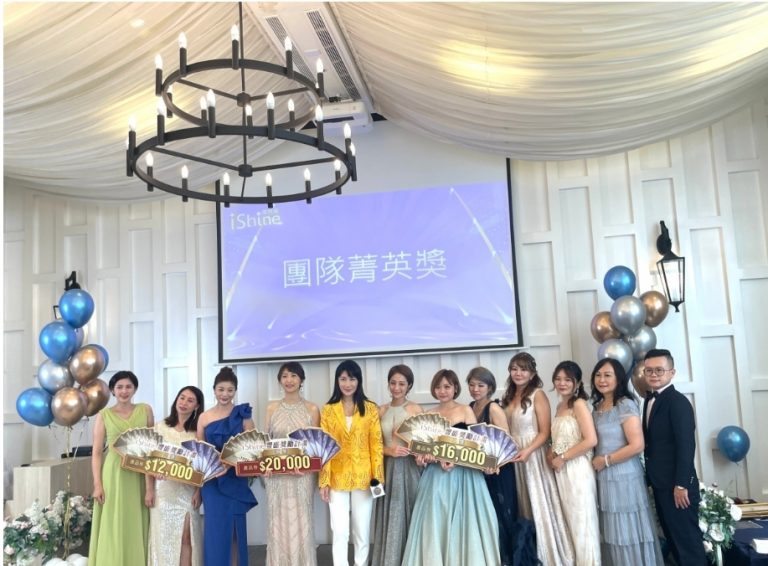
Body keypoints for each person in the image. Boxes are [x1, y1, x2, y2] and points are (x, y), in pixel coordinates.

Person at [401, 369, 501, 566]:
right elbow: (422, 450)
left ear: (455, 388)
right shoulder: (428, 415)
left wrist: (456, 459)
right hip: (435, 477)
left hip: (465, 476)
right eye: (438, 387)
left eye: (447, 386)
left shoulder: (465, 410)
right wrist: (423, 459)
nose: (442, 391)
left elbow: (477, 444)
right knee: (435, 520)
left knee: (467, 521)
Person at [502, 352, 575, 566]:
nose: (518, 373)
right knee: (522, 504)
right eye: (514, 369)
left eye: (523, 369)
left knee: (538, 502)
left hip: (533, 455)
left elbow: (545, 432)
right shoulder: (508, 395)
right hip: (513, 455)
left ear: (532, 373)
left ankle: (548, 555)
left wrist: (528, 451)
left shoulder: (538, 394)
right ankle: (527, 554)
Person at [590, 358, 663, 565]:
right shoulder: (596, 407)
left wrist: (606, 460)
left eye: (607, 375)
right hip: (604, 477)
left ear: (619, 379)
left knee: (627, 529)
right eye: (598, 375)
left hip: (624, 475)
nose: (602, 380)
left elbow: (637, 445)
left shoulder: (625, 404)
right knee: (612, 531)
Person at [642, 348, 707, 565]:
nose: (654, 374)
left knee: (688, 546)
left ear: (672, 372)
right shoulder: (649, 400)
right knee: (674, 544)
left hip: (678, 488)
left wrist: (681, 484)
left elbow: (686, 446)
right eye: (649, 370)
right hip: (661, 484)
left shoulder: (678, 402)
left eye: (659, 370)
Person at [467, 366, 537, 566]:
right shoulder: (470, 407)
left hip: (499, 470)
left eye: (480, 385)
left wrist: (494, 464)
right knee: (486, 516)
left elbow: (506, 443)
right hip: (480, 470)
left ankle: (509, 560)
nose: (475, 389)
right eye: (472, 385)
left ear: (490, 387)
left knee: (502, 515)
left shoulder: (493, 408)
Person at [319, 360, 384, 566]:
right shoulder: (328, 410)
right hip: (336, 476)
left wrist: (378, 478)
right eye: (343, 379)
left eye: (352, 379)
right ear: (337, 381)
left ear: (359, 381)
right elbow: (324, 447)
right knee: (339, 531)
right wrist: (324, 481)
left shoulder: (370, 408)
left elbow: (376, 445)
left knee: (361, 530)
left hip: (364, 477)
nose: (347, 384)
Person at [89, 370, 154, 566]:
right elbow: (97, 452)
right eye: (119, 387)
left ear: (135, 389)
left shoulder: (145, 410)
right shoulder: (104, 415)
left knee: (136, 518)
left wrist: (150, 487)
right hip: (114, 472)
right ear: (112, 390)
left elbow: (152, 449)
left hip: (139, 471)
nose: (124, 391)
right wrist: (97, 485)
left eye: (128, 387)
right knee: (113, 518)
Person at [196, 367, 257, 566]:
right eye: (221, 389)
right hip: (212, 482)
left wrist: (230, 464)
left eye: (230, 390)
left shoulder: (243, 414)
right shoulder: (204, 417)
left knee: (235, 532)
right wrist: (198, 488)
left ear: (235, 391)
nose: (225, 394)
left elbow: (252, 446)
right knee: (215, 533)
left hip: (235, 479)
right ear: (214, 390)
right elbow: (200, 453)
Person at [264, 361, 321, 566]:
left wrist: (306, 467)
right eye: (285, 376)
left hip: (302, 475)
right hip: (276, 477)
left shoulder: (312, 409)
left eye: (294, 375)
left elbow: (316, 446)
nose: (289, 380)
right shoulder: (271, 408)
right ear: (280, 380)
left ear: (301, 379)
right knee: (277, 522)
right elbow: (266, 443)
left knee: (302, 521)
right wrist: (265, 467)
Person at [547, 361, 601, 565]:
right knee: (570, 521)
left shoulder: (579, 404)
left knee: (582, 522)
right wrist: (551, 451)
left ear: (577, 383)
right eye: (558, 379)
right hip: (561, 470)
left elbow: (590, 440)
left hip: (578, 469)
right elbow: (561, 437)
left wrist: (563, 457)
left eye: (567, 380)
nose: (562, 383)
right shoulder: (560, 406)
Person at [371, 364, 423, 566]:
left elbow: (425, 442)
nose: (396, 388)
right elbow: (372, 444)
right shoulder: (380, 410)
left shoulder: (416, 409)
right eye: (393, 383)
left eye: (402, 384)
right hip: (386, 468)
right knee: (388, 512)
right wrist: (388, 450)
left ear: (409, 385)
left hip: (410, 468)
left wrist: (420, 454)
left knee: (410, 510)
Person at [147, 386, 205, 566]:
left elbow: (203, 465)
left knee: (187, 538)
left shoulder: (198, 432)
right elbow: (148, 459)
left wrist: (199, 492)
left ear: (197, 406)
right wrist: (149, 489)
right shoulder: (160, 427)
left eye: (190, 400)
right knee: (164, 539)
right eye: (182, 397)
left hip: (187, 491)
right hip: (163, 491)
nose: (184, 403)